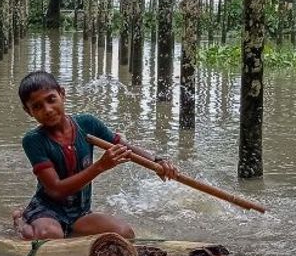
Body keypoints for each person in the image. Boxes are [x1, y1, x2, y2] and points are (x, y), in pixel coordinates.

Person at [11, 70, 178, 240]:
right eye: (37, 106)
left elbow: (125, 148)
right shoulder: (33, 140)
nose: (47, 110)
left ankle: (67, 231)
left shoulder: (87, 123)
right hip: (47, 210)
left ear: (62, 94)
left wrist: (157, 161)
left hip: (79, 213)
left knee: (124, 234)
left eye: (51, 99)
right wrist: (100, 166)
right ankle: (21, 220)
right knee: (50, 235)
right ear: (28, 111)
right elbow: (55, 190)